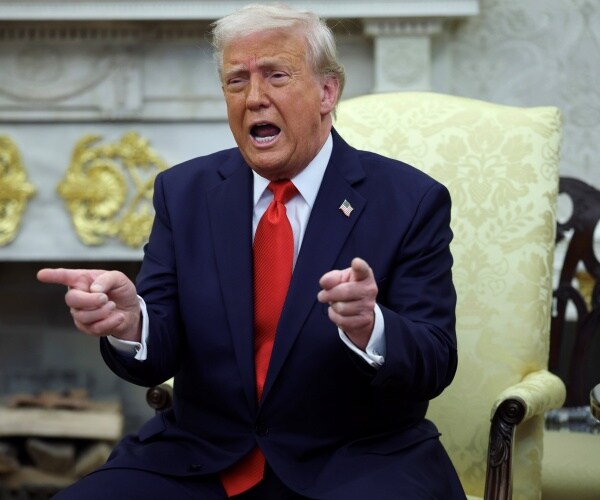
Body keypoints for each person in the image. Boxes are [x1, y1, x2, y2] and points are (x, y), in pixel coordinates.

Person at [37, 4, 465, 499]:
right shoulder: (185, 193)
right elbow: (160, 347)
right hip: (202, 459)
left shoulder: (409, 200)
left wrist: (371, 327)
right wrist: (131, 323)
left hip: (352, 462)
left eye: (276, 76)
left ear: (327, 92)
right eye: (236, 81)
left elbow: (436, 359)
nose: (254, 98)